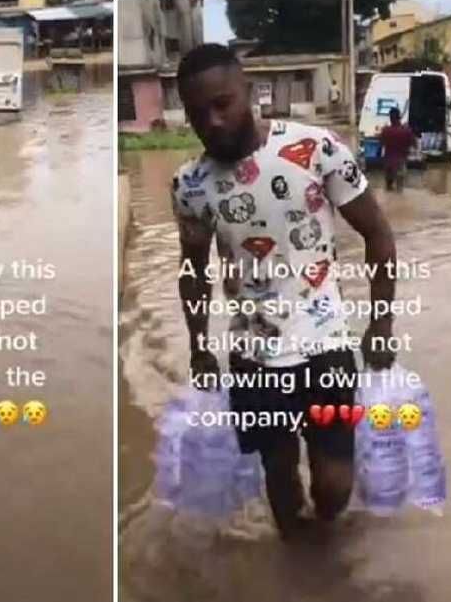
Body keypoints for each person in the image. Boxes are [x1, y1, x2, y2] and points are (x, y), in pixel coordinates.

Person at [171, 44, 398, 540]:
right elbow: (193, 272)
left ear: (250, 92)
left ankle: (329, 553)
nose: (211, 121)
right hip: (252, 356)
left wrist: (381, 324)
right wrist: (198, 347)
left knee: (334, 484)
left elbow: (377, 233)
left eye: (222, 103)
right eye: (196, 113)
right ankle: (299, 567)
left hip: (326, 346)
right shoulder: (191, 185)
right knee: (279, 479)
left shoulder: (317, 150)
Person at [379, 107, 416, 192]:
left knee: (388, 189)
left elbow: (381, 143)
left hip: (388, 163)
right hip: (401, 162)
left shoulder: (385, 130)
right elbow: (414, 144)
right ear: (400, 117)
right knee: (400, 190)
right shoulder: (406, 131)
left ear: (390, 118)